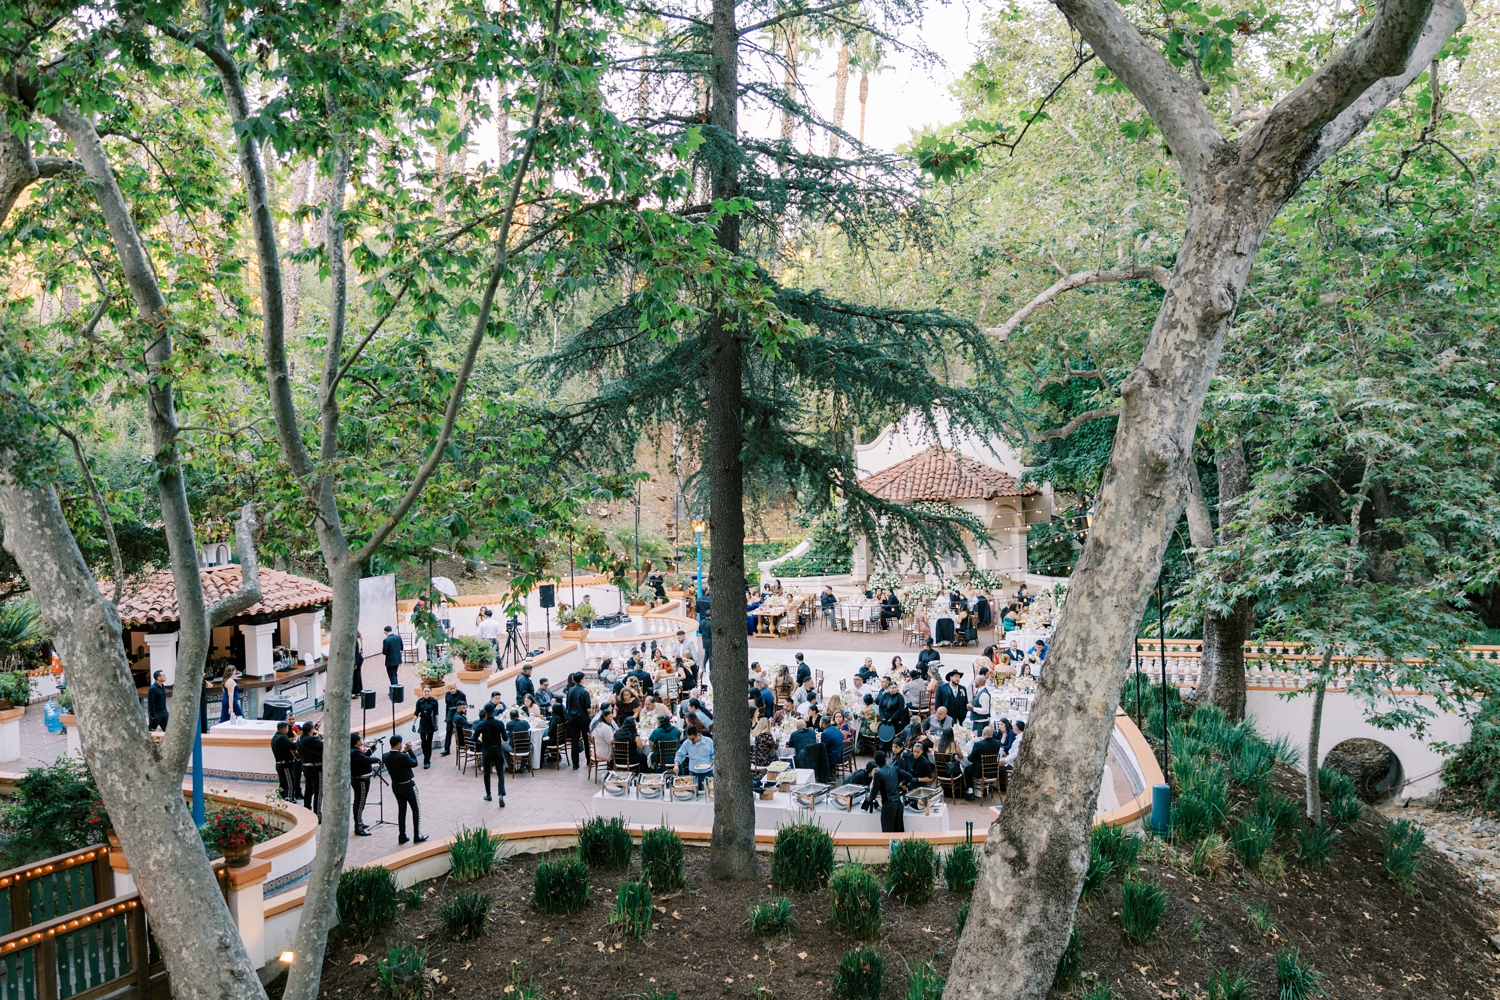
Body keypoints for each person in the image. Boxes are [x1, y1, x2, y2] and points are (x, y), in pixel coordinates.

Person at [382, 734, 427, 843]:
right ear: (398, 744)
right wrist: (410, 751)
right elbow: (414, 763)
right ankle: (417, 835)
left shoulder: (385, 756)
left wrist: (404, 751)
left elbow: (397, 759)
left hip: (396, 786)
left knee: (401, 810)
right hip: (408, 786)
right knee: (416, 810)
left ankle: (402, 835)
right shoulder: (403, 757)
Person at [866, 750, 914, 833]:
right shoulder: (894, 768)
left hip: (888, 805)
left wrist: (868, 799)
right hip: (899, 804)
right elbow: (909, 776)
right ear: (885, 759)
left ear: (876, 762)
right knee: (899, 831)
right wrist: (901, 785)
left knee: (888, 833)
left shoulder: (878, 773)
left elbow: (874, 792)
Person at [472, 704, 508, 805]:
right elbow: (505, 738)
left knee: (486, 773)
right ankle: (501, 794)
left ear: (485, 712)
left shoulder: (481, 725)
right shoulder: (499, 723)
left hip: (486, 749)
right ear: (493, 711)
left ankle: (488, 794)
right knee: (500, 772)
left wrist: (481, 742)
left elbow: (474, 738)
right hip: (497, 749)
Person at [965, 725, 1007, 798]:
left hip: (979, 772)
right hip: (993, 771)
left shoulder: (978, 744)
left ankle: (970, 790)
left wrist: (969, 754)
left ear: (983, 733)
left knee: (966, 770)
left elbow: (971, 759)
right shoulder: (997, 743)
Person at [349, 734, 377, 836]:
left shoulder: (356, 750)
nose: (362, 740)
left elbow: (365, 756)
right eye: (361, 739)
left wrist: (373, 747)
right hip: (360, 780)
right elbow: (366, 760)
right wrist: (378, 759)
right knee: (360, 803)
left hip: (361, 779)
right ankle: (358, 827)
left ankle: (359, 822)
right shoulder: (355, 752)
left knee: (360, 802)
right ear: (357, 742)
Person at [565, 671, 591, 769]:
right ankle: (588, 760)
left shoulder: (570, 691)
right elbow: (588, 707)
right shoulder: (584, 692)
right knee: (586, 739)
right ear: (581, 680)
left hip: (572, 717)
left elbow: (568, 705)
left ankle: (575, 764)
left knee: (574, 740)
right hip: (582, 717)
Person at [298, 721, 324, 816]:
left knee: (308, 790)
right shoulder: (312, 740)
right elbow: (324, 746)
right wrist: (320, 740)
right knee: (319, 790)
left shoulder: (300, 739)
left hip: (306, 768)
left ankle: (307, 810)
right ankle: (317, 813)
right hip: (316, 768)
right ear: (310, 730)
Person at [271, 722, 301, 801]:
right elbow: (293, 746)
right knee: (290, 784)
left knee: (283, 784)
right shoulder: (282, 738)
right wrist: (298, 739)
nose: (288, 730)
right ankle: (290, 800)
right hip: (285, 766)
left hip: (280, 765)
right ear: (284, 730)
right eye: (287, 729)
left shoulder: (276, 737)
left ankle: (283, 799)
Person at [411, 684, 440, 767]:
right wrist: (413, 724)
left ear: (430, 691)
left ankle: (427, 760)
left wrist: (436, 725)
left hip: (430, 723)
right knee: (423, 742)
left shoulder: (434, 701)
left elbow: (436, 714)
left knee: (428, 742)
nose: (426, 693)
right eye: (425, 691)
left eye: (428, 691)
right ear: (422, 692)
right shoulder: (419, 702)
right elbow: (416, 713)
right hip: (423, 722)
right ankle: (425, 756)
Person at [441, 686, 468, 756]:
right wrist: (446, 717)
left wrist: (464, 715)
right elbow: (447, 706)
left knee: (461, 731)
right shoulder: (448, 695)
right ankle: (446, 749)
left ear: (456, 688)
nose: (452, 690)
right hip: (450, 716)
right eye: (451, 689)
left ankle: (463, 745)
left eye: (453, 688)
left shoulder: (461, 694)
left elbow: (464, 706)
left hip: (458, 715)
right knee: (448, 732)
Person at [352, 631, 365, 698]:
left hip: (357, 659)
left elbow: (356, 652)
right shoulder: (360, 639)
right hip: (360, 657)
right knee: (357, 674)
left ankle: (356, 691)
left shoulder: (356, 641)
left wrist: (355, 663)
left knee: (356, 675)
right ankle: (358, 690)